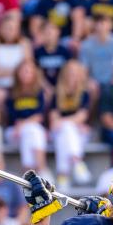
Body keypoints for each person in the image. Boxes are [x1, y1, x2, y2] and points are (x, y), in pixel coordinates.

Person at [49, 59, 92, 190]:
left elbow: (82, 116)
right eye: (70, 72)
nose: (72, 76)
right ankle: (77, 162)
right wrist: (69, 124)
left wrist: (63, 122)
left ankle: (63, 175)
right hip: (61, 132)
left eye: (75, 73)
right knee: (66, 131)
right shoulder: (56, 94)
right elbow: (53, 120)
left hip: (80, 133)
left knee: (66, 131)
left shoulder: (84, 93)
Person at [5, 59, 49, 173]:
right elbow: (12, 119)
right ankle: (42, 169)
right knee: (31, 131)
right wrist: (21, 125)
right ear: (17, 73)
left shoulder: (39, 92)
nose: (26, 74)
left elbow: (40, 116)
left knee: (30, 131)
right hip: (13, 132)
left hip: (29, 131)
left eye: (28, 71)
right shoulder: (11, 93)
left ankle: (28, 171)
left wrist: (23, 125)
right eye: (23, 71)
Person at [78, 11, 113, 90]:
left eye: (104, 22)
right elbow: (83, 69)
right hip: (95, 83)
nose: (101, 26)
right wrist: (88, 81)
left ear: (111, 25)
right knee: (90, 89)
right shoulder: (86, 45)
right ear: (94, 25)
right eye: (98, 23)